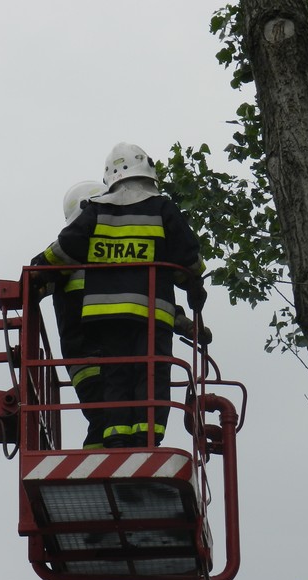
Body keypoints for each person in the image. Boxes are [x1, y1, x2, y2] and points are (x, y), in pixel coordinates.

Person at [33, 143, 206, 448]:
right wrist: (194, 285)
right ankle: (146, 438)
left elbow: (65, 248)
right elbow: (187, 256)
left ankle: (116, 440)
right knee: (151, 372)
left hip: (106, 318)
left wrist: (36, 271)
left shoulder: (97, 212)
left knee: (116, 375)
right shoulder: (162, 208)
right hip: (151, 315)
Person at [50, 180, 108, 449]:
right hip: (88, 357)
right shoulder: (65, 253)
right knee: (105, 420)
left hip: (110, 355)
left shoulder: (67, 253)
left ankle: (101, 466)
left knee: (117, 420)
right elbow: (33, 279)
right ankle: (99, 466)